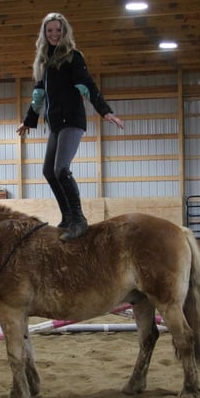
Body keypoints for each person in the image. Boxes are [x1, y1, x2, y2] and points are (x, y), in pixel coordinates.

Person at [16, 12, 124, 241]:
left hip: (73, 121)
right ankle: (66, 216)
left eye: (58, 30)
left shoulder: (73, 57)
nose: (54, 34)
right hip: (55, 123)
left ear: (65, 33)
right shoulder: (43, 62)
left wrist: (105, 111)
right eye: (50, 30)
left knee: (61, 169)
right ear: (44, 34)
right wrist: (28, 120)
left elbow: (86, 86)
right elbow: (38, 95)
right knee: (48, 171)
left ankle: (79, 219)